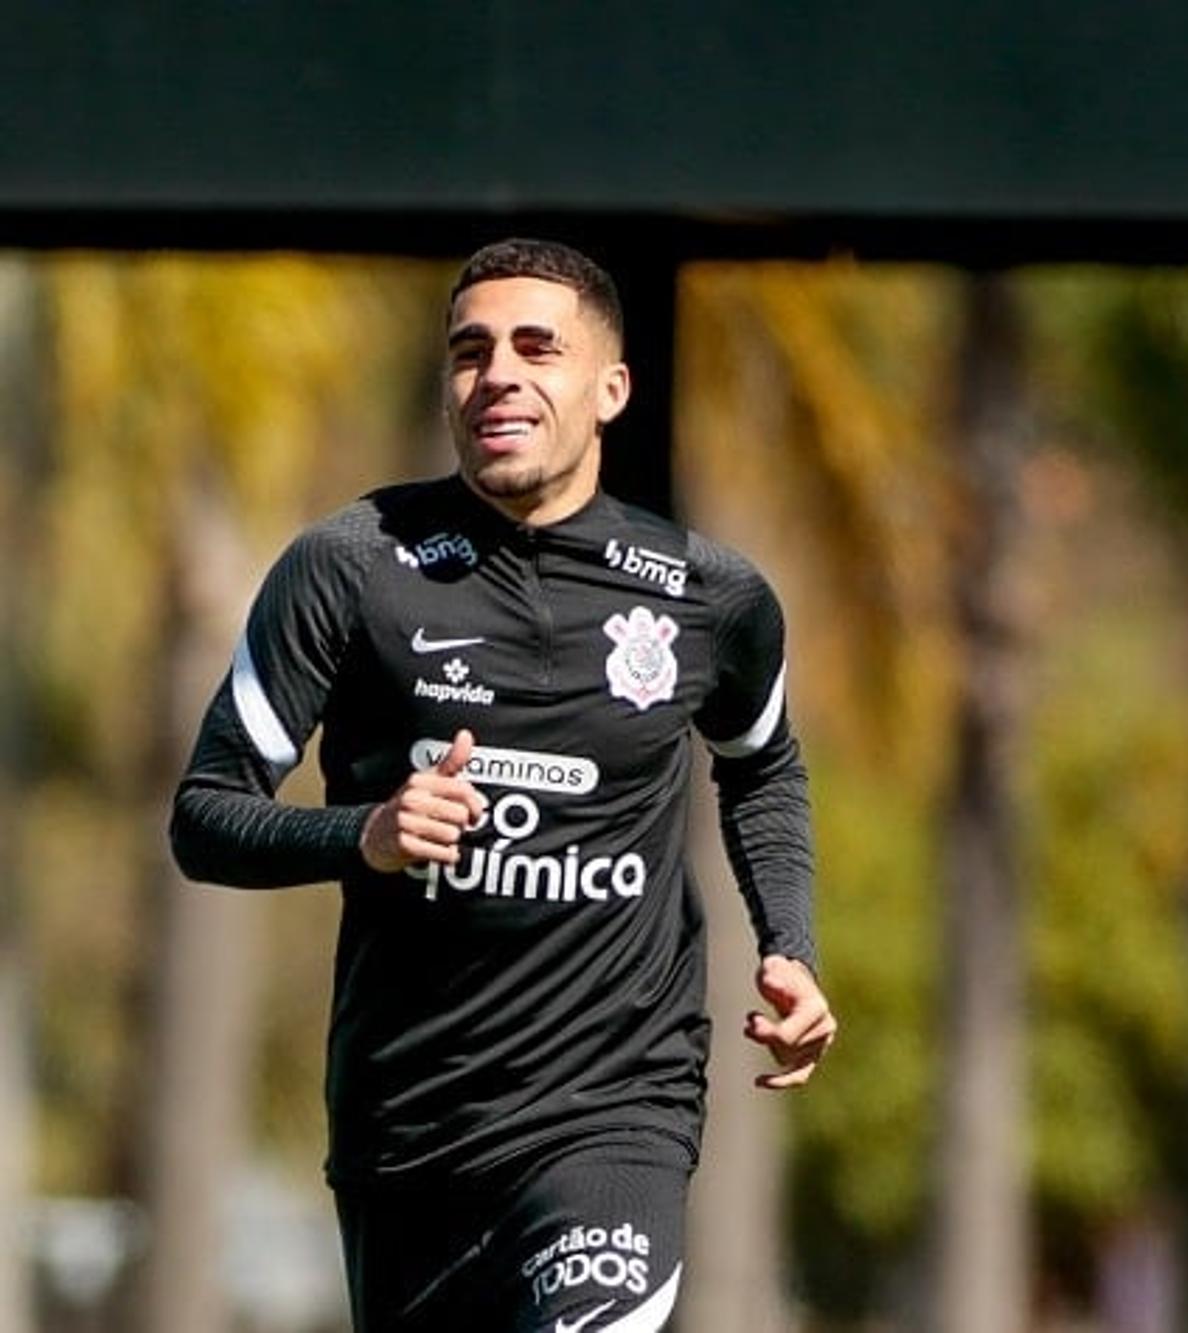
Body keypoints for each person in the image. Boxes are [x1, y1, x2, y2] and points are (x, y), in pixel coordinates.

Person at [170, 237, 835, 1333]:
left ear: (610, 388)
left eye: (538, 347)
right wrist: (366, 836)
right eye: (471, 352)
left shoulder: (710, 599)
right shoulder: (350, 568)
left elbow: (762, 763)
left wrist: (792, 947)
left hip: (616, 1111)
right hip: (408, 1130)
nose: (500, 376)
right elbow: (205, 815)